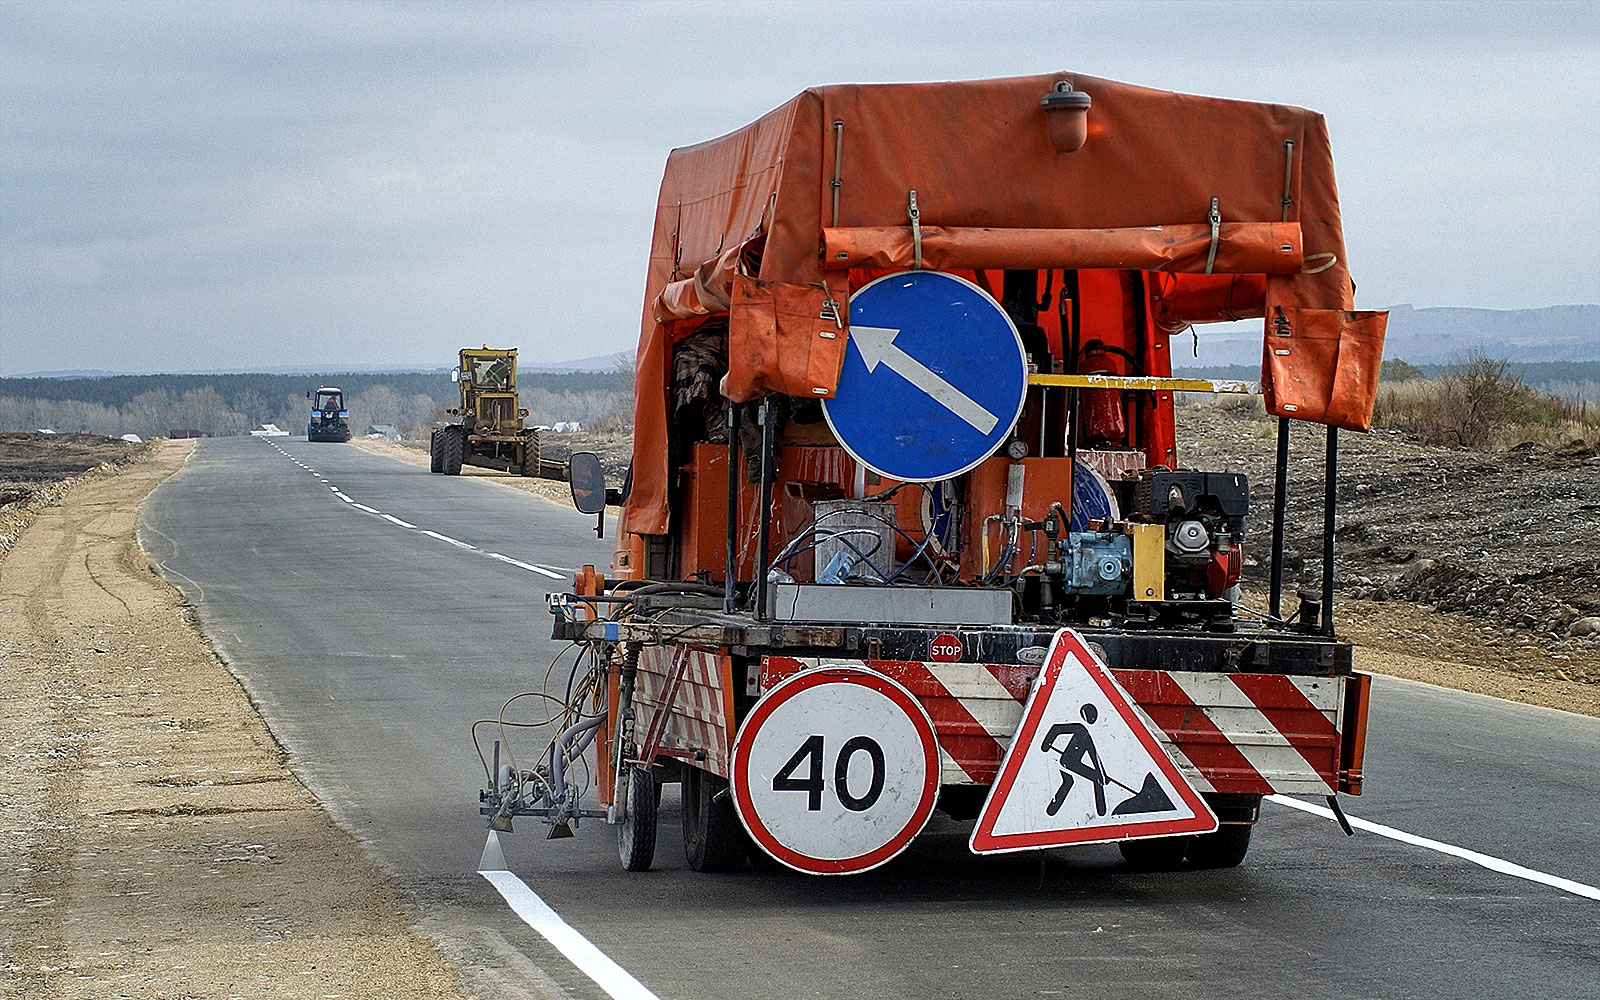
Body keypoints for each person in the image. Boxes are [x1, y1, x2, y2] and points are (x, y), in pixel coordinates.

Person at [1039, 704, 1108, 817]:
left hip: (1072, 763)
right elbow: (1056, 728)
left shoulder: (1086, 734)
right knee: (1086, 779)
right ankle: (1101, 812)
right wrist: (1046, 744)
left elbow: (1094, 756)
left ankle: (1101, 812)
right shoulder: (1080, 729)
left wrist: (1103, 775)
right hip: (1068, 761)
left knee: (1090, 778)